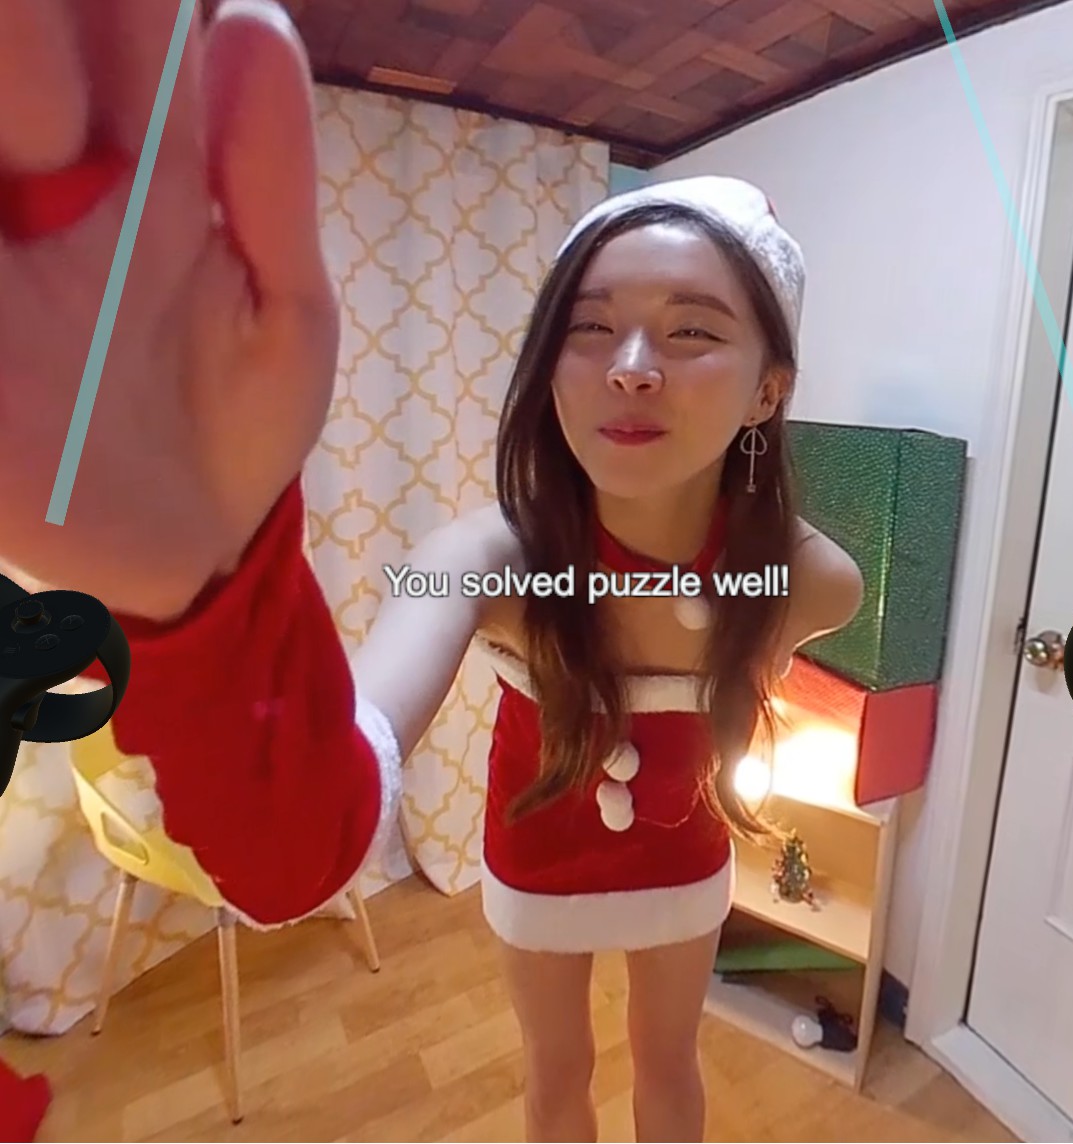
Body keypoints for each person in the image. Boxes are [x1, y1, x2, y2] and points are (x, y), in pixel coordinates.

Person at [0, 2, 864, 1141]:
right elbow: (304, 839)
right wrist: (196, 595)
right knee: (557, 1077)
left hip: (687, 855)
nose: (631, 367)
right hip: (537, 860)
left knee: (671, 1069)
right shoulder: (483, 558)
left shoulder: (812, 582)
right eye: (589, 328)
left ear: (768, 388)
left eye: (692, 330)